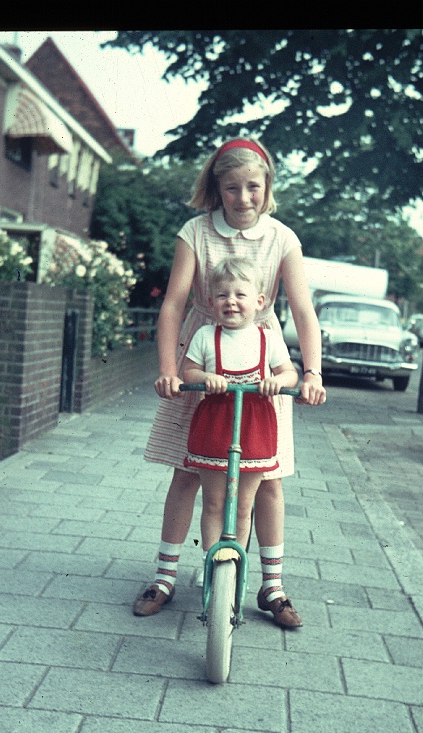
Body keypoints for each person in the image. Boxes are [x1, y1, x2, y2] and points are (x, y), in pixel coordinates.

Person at [133, 137, 326, 627]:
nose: (244, 197)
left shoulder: (283, 237)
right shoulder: (195, 231)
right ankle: (165, 576)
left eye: (253, 187)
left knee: (268, 478)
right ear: (216, 188)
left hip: (262, 366)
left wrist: (310, 372)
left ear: (267, 187)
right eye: (233, 187)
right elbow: (175, 302)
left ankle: (271, 586)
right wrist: (170, 370)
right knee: (187, 469)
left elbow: (302, 309)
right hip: (205, 361)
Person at [183, 256, 299, 574]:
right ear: (210, 302)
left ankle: (235, 563)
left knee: (244, 504)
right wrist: (206, 378)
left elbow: (290, 373)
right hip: (215, 425)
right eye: (222, 295)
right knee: (214, 502)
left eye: (240, 295)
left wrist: (278, 381)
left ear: (259, 302)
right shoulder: (206, 336)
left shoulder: (268, 339)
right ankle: (212, 561)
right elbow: (188, 370)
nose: (231, 302)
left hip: (255, 425)